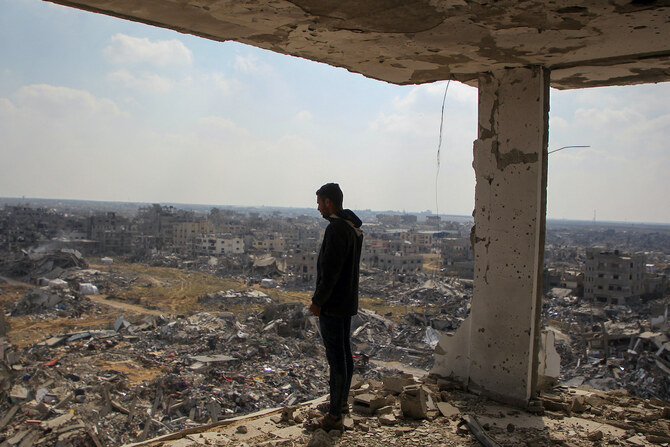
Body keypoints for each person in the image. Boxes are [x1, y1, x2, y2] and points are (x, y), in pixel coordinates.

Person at [309, 183, 363, 431]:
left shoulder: (336, 230)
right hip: (347, 301)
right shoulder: (352, 229)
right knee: (344, 352)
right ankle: (341, 404)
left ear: (329, 202)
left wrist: (318, 301)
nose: (318, 207)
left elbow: (330, 271)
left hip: (332, 304)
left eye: (320, 202)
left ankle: (333, 416)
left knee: (336, 358)